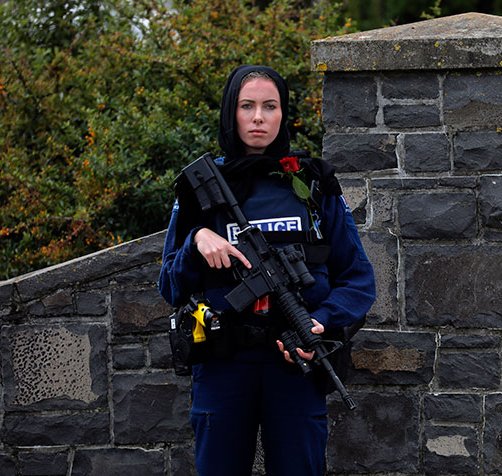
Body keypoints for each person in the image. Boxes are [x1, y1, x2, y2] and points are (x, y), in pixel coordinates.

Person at [158, 64, 376, 476]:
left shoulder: (313, 185)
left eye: (270, 106)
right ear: (230, 113)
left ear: (283, 114)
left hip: (295, 363)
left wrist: (319, 323)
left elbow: (358, 280)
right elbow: (170, 285)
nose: (258, 117)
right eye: (247, 106)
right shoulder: (200, 190)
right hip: (223, 364)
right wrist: (196, 242)